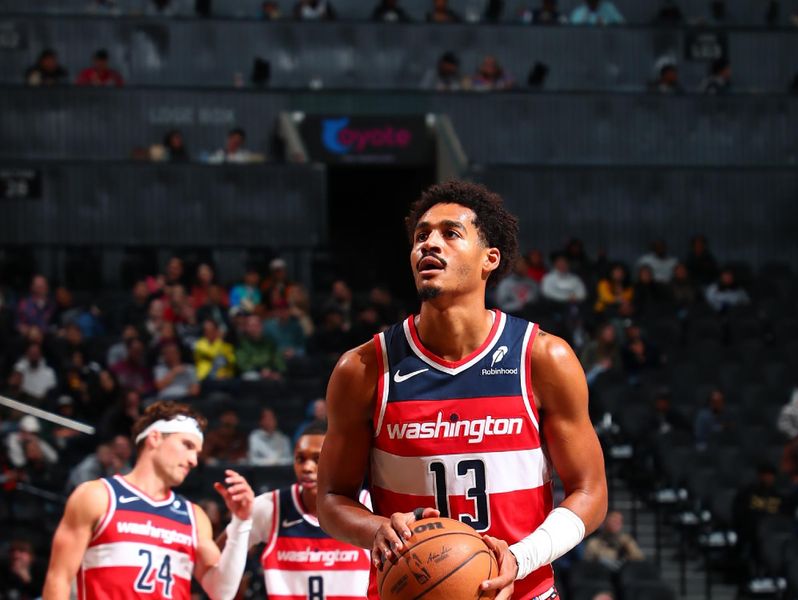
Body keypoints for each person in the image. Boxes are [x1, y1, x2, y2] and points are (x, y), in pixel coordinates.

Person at [317, 181, 607, 600]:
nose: (429, 244)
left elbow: (591, 492)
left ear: (490, 259)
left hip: (522, 590)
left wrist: (521, 557)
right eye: (421, 235)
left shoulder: (542, 358)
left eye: (450, 233)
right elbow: (331, 497)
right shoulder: (363, 368)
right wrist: (376, 527)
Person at [43, 401, 255, 600]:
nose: (193, 460)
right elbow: (58, 579)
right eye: (187, 445)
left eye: (197, 453)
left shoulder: (193, 517)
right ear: (155, 438)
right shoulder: (97, 496)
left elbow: (222, 592)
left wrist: (241, 522)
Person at [224, 420, 370, 598]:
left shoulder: (368, 505)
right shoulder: (270, 506)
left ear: (338, 460)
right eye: (300, 459)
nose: (307, 468)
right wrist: (240, 521)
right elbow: (217, 560)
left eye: (318, 459)